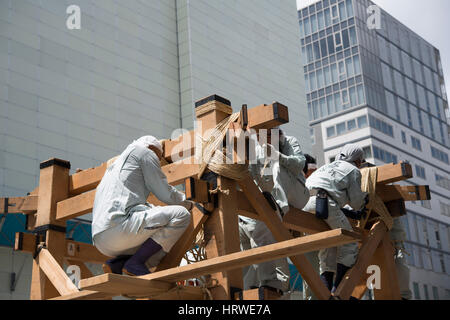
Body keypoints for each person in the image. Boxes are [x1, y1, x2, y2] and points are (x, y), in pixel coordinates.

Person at [92, 136, 193, 276]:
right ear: (152, 148)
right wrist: (189, 203)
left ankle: (118, 264)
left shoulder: (114, 166)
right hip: (119, 227)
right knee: (181, 214)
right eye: (158, 158)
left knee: (151, 237)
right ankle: (136, 263)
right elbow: (164, 193)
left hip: (101, 241)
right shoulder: (144, 152)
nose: (157, 161)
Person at [239, 128, 309, 294]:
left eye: (270, 135)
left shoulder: (290, 141)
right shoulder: (258, 149)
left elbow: (300, 163)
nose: (266, 139)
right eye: (264, 135)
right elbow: (251, 174)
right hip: (270, 200)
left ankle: (279, 207)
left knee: (276, 164)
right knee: (256, 244)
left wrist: (278, 155)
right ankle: (251, 289)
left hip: (296, 195)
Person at [303, 144, 368, 295]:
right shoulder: (353, 170)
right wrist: (366, 199)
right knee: (350, 243)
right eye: (360, 160)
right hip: (326, 203)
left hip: (306, 205)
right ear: (357, 160)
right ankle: (337, 290)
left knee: (328, 245)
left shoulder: (327, 167)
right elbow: (356, 202)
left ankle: (324, 292)